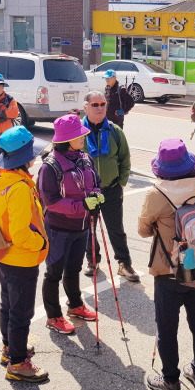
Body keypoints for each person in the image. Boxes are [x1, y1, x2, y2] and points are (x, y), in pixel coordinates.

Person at [138, 139, 195, 390]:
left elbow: (143, 229)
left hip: (169, 268)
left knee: (167, 326)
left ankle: (170, 380)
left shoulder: (157, 194)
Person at [0, 126, 50, 382]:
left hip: (2, 254)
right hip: (21, 259)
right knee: (21, 313)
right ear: (24, 158)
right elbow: (21, 233)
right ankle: (18, 363)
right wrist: (41, 243)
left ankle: (10, 347)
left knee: (8, 304)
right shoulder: (20, 188)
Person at [37, 114, 101, 335]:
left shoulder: (85, 158)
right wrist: (81, 204)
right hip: (58, 228)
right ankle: (53, 316)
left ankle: (75, 305)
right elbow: (50, 201)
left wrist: (96, 194)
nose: (83, 137)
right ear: (66, 140)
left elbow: (96, 182)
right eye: (78, 135)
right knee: (54, 273)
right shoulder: (50, 166)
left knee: (74, 268)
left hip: (82, 226)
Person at [82, 91, 139, 281]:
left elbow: (125, 159)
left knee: (116, 229)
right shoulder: (79, 131)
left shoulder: (115, 130)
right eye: (95, 104)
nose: (100, 108)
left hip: (111, 188)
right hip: (87, 192)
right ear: (86, 107)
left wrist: (121, 183)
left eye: (103, 104)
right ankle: (93, 260)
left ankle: (124, 263)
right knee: (89, 229)